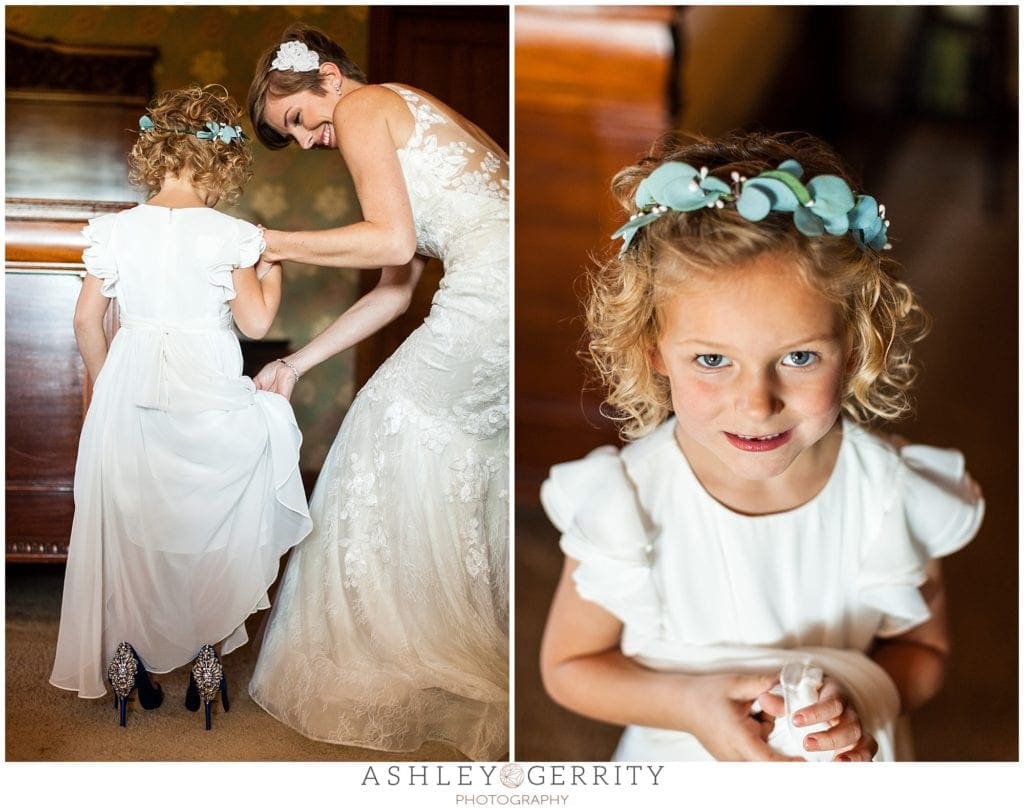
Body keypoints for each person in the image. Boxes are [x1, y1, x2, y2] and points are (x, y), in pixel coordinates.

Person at [539, 132, 984, 761]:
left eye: (799, 357)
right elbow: (570, 665)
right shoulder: (625, 502)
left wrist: (862, 700)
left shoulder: (890, 496)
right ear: (652, 350)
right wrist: (690, 705)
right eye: (713, 359)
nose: (757, 403)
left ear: (854, 346)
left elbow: (924, 651)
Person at [244, 24, 509, 761]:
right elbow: (397, 288)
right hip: (514, 292)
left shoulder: (363, 107)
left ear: (327, 77)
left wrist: (278, 241)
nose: (304, 142)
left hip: (493, 293)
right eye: (288, 135)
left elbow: (390, 243)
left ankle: (395, 654)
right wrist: (297, 362)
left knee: (387, 426)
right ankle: (431, 635)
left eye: (296, 119)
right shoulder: (411, 104)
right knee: (457, 448)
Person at [49, 85, 312, 731]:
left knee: (134, 525)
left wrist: (110, 384)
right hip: (206, 382)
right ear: (222, 163)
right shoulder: (235, 235)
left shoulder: (113, 229)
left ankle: (125, 665)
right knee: (211, 522)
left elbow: (88, 320)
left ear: (153, 152)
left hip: (129, 378)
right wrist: (273, 268)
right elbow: (254, 323)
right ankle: (207, 660)